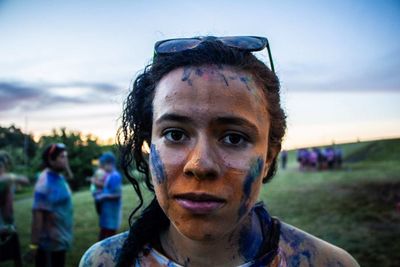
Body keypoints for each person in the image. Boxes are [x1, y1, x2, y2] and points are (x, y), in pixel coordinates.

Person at [80, 36, 359, 266]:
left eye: (234, 138)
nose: (200, 165)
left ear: (269, 157)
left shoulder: (327, 263)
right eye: (175, 134)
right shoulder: (101, 262)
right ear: (148, 148)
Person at [29, 143, 74, 267]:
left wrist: (66, 165)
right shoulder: (44, 184)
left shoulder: (58, 176)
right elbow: (37, 218)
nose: (66, 160)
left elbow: (70, 177)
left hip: (60, 240)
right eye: (62, 157)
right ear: (51, 160)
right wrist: (34, 245)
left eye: (66, 156)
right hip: (50, 245)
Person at [0, 151, 29, 267]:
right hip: (3, 225)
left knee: (16, 255)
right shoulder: (5, 179)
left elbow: (25, 180)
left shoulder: (8, 179)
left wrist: (11, 177)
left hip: (9, 224)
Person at [95, 152, 122, 241]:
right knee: (103, 232)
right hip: (106, 212)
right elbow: (108, 189)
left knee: (110, 235)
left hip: (112, 212)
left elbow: (117, 195)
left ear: (110, 164)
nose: (102, 167)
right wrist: (100, 192)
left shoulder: (115, 176)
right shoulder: (109, 175)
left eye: (103, 165)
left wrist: (103, 196)